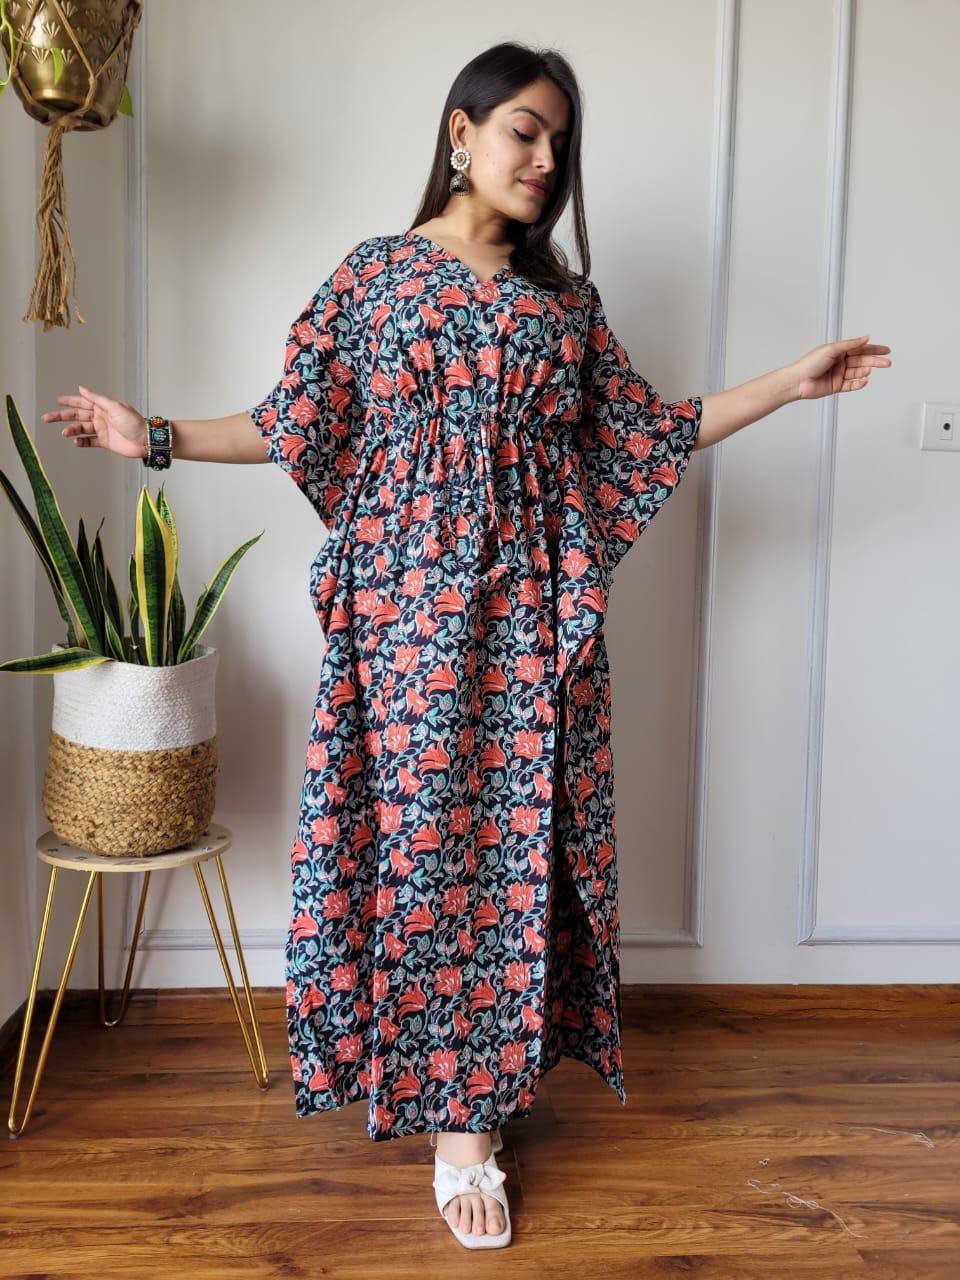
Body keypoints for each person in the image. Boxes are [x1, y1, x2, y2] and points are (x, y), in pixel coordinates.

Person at [44, 41, 891, 1252]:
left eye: (560, 144)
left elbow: (649, 430)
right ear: (461, 132)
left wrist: (789, 385)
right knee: (424, 848)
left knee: (514, 855)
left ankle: (471, 1123)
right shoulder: (376, 277)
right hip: (404, 621)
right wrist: (155, 436)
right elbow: (294, 422)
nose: (545, 161)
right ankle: (445, 1102)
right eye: (524, 132)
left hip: (533, 623)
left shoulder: (565, 305)